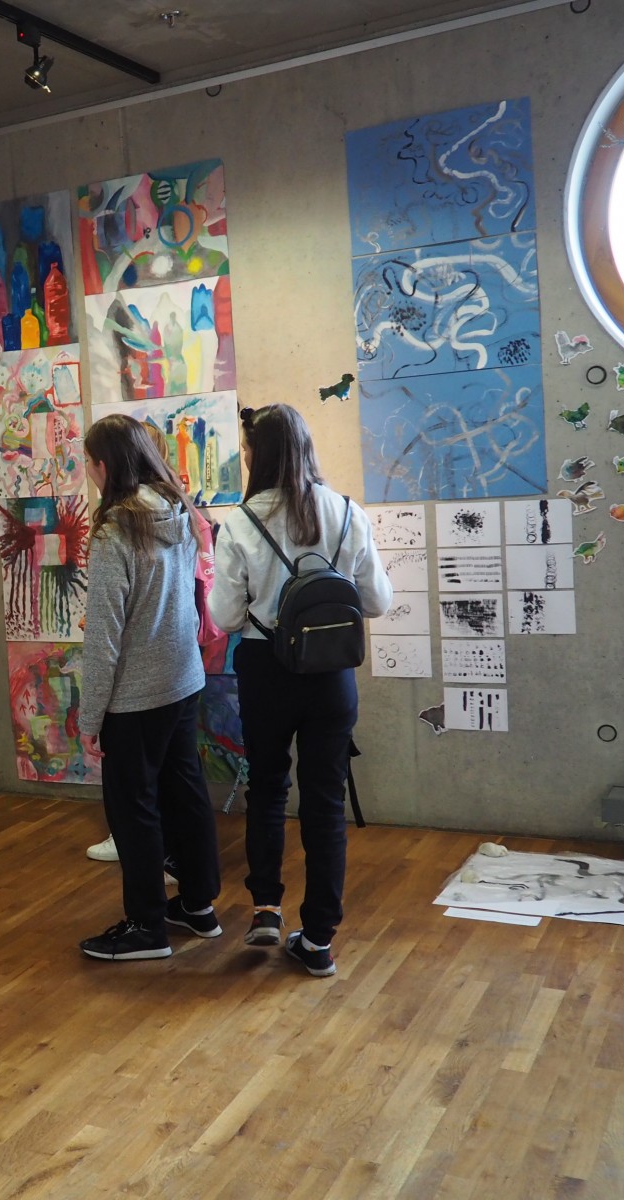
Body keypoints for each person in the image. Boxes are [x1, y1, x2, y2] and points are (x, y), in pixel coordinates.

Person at [208, 404, 392, 978]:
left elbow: (224, 616)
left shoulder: (240, 522)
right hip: (331, 675)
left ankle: (266, 907)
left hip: (266, 670)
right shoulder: (346, 511)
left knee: (267, 786)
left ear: (256, 455)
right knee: (325, 801)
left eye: (246, 450)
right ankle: (318, 939)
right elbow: (377, 601)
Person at [77, 414, 221, 961]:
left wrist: (90, 718)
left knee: (132, 809)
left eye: (88, 463)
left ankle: (146, 927)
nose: (88, 472)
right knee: (185, 794)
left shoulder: (115, 532)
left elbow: (104, 638)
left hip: (136, 696)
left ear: (104, 465)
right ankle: (199, 905)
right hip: (182, 680)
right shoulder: (177, 511)